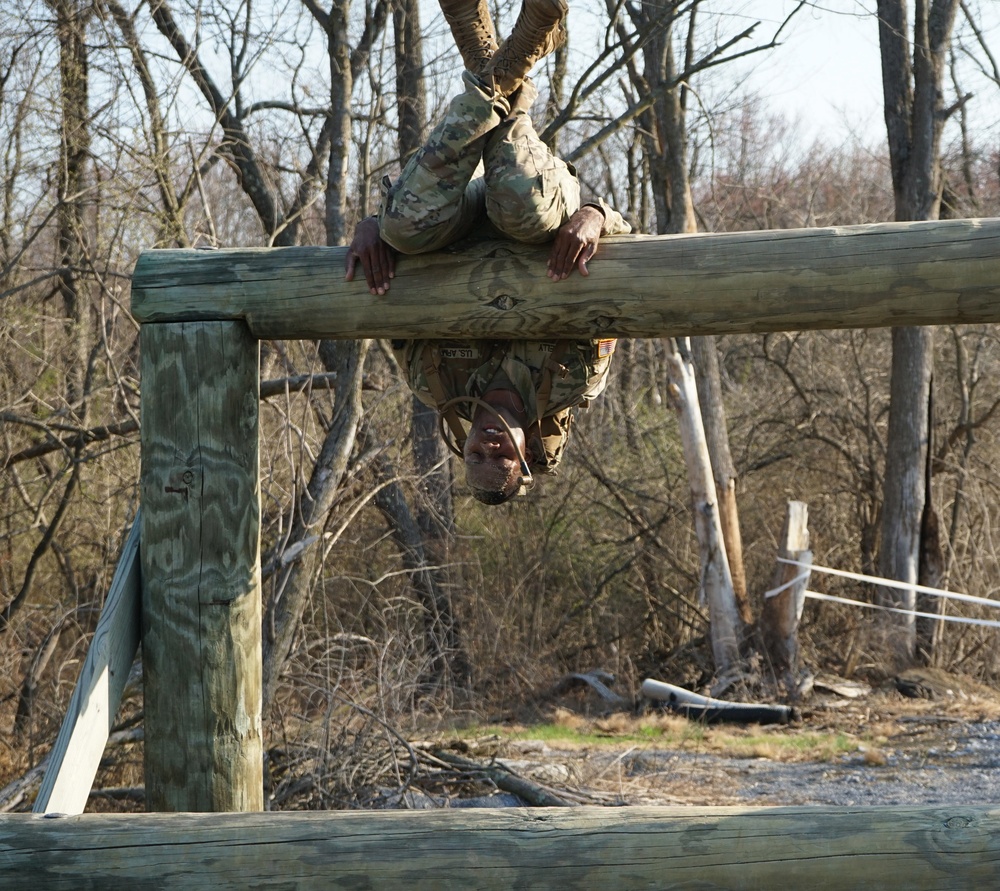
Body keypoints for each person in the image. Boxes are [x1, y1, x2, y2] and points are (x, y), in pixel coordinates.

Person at [345, 0, 631, 505]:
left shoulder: (431, 379)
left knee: (406, 225)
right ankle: (519, 52)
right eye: (501, 459)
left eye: (475, 457)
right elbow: (628, 269)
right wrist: (597, 216)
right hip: (533, 207)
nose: (488, 447)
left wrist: (372, 228)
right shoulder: (575, 378)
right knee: (520, 202)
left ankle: (504, 52)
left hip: (457, 219)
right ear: (527, 452)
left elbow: (386, 285)